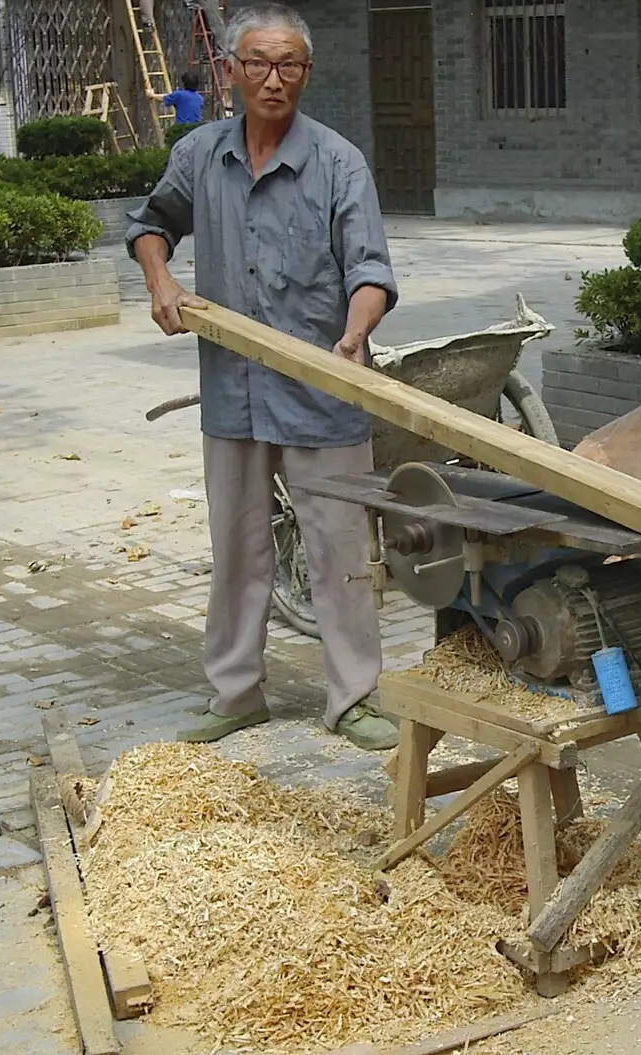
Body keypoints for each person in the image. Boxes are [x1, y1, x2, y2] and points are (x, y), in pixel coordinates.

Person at [126, 3, 401, 750]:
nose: (271, 79)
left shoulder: (339, 162)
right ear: (233, 71)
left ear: (306, 74)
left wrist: (354, 333)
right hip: (234, 388)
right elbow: (149, 223)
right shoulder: (199, 156)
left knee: (340, 550)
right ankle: (237, 691)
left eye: (287, 66)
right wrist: (162, 282)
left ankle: (353, 698)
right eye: (256, 63)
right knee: (238, 544)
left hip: (323, 387)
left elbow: (370, 269)